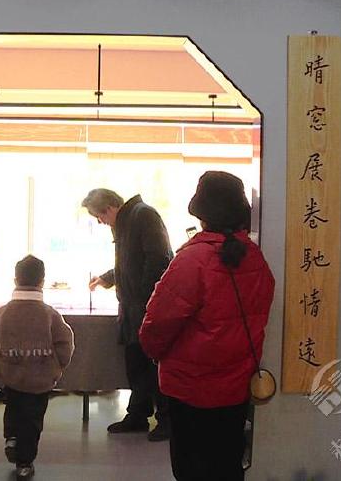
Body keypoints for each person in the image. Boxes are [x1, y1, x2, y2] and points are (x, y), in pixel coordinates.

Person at [139, 171, 275, 481]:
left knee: (191, 468)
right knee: (227, 464)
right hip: (237, 384)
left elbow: (158, 323)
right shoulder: (254, 257)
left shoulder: (193, 260)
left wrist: (154, 352)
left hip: (191, 387)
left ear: (202, 215)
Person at [82, 188, 173, 441]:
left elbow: (159, 260)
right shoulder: (127, 222)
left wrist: (145, 300)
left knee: (153, 366)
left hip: (145, 308)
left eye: (100, 216)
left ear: (109, 208)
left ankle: (166, 419)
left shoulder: (143, 216)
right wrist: (108, 278)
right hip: (134, 309)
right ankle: (138, 414)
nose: (101, 222)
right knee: (136, 365)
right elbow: (130, 263)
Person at [0, 255, 74, 481]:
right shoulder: (50, 314)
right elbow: (66, 343)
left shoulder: (2, 313)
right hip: (40, 380)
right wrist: (57, 366)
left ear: (15, 280)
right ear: (42, 281)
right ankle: (24, 463)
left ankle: (11, 437)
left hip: (11, 377)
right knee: (33, 420)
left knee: (13, 408)